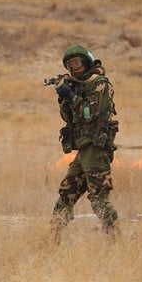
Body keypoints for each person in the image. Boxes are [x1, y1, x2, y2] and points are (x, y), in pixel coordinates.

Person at [51, 45, 119, 241]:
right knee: (67, 192)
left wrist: (72, 95)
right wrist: (64, 97)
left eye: (77, 63)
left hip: (96, 149)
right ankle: (52, 239)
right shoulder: (78, 86)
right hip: (84, 149)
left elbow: (89, 114)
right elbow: (69, 118)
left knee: (98, 199)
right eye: (70, 65)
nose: (74, 68)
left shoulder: (100, 84)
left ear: (86, 62)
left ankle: (115, 240)